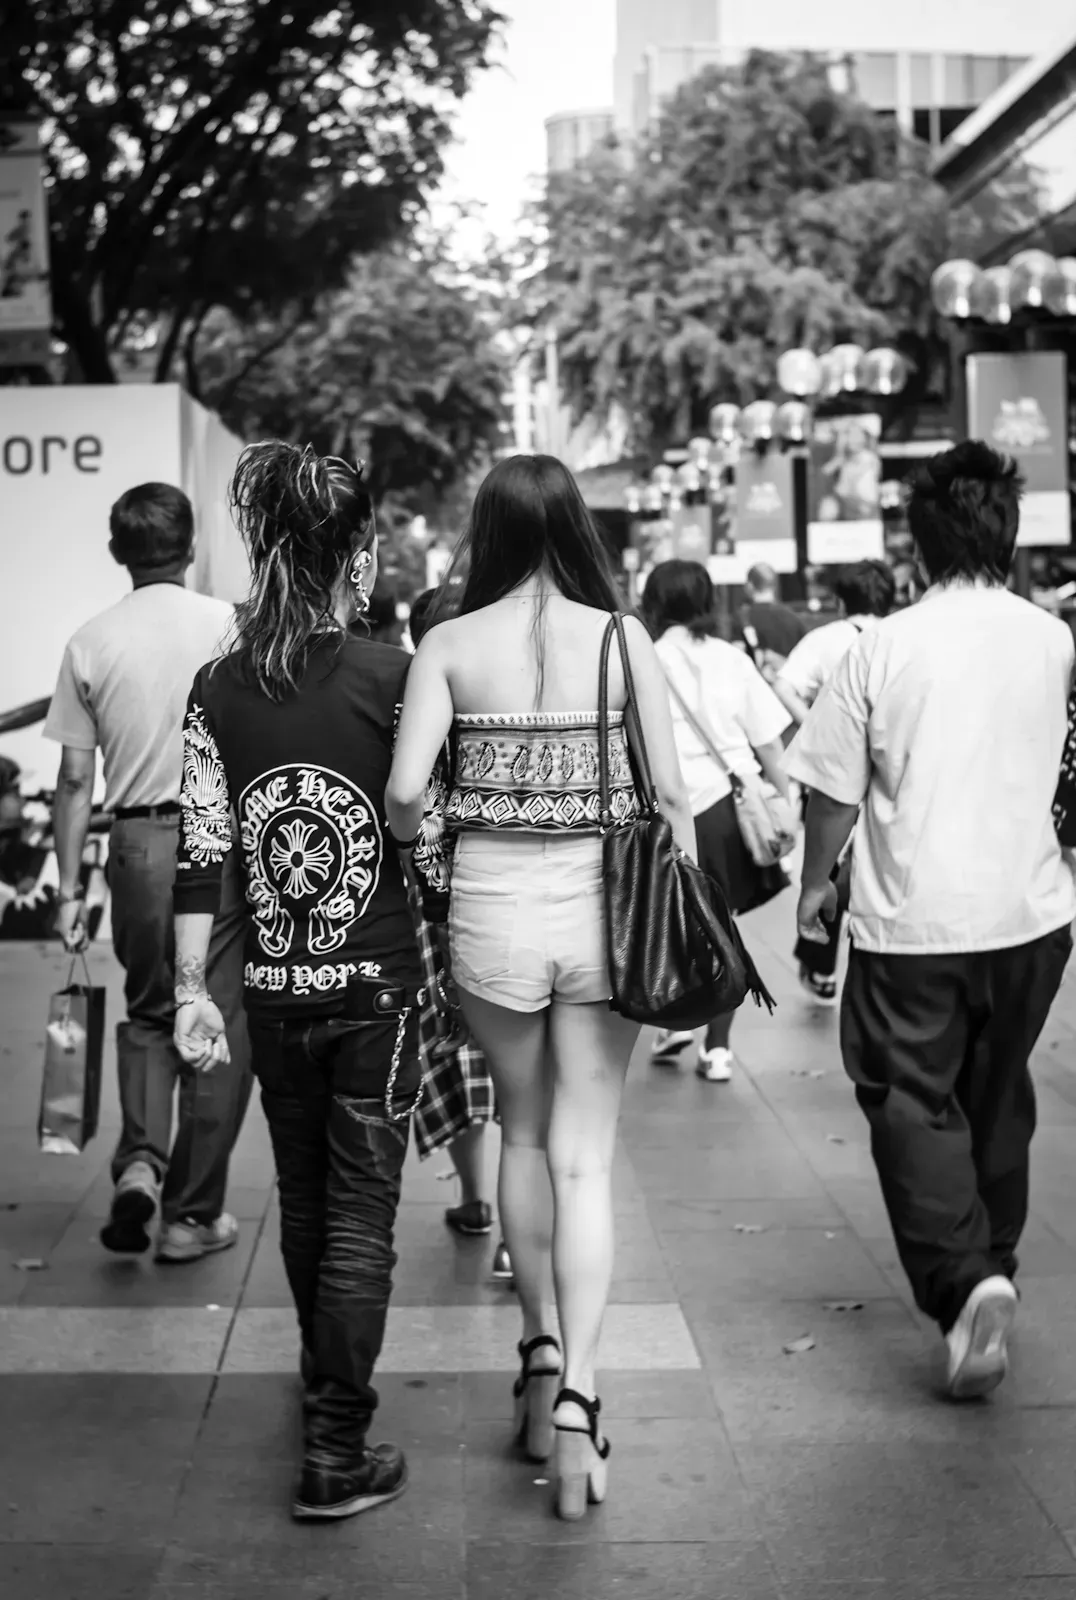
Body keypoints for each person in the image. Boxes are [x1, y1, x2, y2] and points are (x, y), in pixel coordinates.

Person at [386, 453, 696, 1521]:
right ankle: (580, 1397)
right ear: (573, 528)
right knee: (584, 1156)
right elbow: (672, 796)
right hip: (603, 919)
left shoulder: (446, 645)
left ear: (486, 531)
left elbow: (401, 793)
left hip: (488, 920)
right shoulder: (622, 641)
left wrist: (438, 859)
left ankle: (535, 1352)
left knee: (517, 1135)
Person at [171, 441, 435, 1522]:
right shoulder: (396, 677)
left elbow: (202, 849)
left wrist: (193, 988)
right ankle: (335, 1443)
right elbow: (431, 839)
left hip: (274, 993)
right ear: (357, 557)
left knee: (308, 1202)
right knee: (361, 1214)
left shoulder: (217, 686)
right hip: (379, 990)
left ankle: (326, 1389)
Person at [786, 441, 1076, 1401]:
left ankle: (966, 1284)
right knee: (997, 1096)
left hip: (917, 921)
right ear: (1008, 529)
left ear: (920, 539)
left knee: (911, 1098)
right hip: (1032, 920)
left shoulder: (885, 645)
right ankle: (992, 1267)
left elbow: (830, 794)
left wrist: (815, 889)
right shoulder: (1051, 639)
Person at [43, 483, 251, 1261]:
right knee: (215, 1018)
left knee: (150, 1011)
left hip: (133, 846)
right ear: (191, 547)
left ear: (116, 552)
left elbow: (73, 779)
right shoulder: (232, 628)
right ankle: (190, 1216)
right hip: (217, 845)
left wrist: (70, 891)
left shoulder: (90, 641)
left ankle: (139, 1164)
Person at [642, 560, 791, 1081]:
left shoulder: (643, 659)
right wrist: (787, 801)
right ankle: (717, 1046)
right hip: (728, 809)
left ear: (654, 603)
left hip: (665, 811)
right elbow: (769, 741)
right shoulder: (731, 658)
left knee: (679, 924)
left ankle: (681, 1019)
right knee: (720, 926)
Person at [406, 587, 511, 1282]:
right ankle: (513, 1232)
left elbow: (401, 799)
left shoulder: (408, 708)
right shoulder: (501, 698)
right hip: (508, 904)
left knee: (457, 1055)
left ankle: (477, 1202)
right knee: (522, 1076)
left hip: (432, 917)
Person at [774, 560, 897, 1005]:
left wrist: (819, 729)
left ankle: (821, 965)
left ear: (841, 600)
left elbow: (784, 685)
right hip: (894, 772)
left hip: (835, 774)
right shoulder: (903, 636)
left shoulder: (825, 639)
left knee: (827, 864)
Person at [736, 562, 805, 684]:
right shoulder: (793, 618)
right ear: (774, 586)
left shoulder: (743, 617)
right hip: (788, 690)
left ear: (750, 586)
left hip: (757, 691)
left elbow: (737, 659)